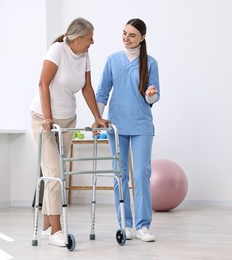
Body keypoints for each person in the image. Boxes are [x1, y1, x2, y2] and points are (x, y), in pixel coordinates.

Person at [31, 17, 107, 247]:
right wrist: (47, 117)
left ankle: (46, 227)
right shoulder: (57, 50)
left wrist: (97, 118)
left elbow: (87, 88)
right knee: (53, 171)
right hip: (43, 119)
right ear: (77, 38)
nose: (92, 42)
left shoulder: (84, 56)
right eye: (89, 38)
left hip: (68, 120)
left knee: (57, 173)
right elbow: (43, 84)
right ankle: (56, 230)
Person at [96, 18, 160, 242]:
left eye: (132, 35)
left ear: (142, 37)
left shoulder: (150, 63)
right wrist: (97, 118)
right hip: (116, 126)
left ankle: (143, 226)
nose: (126, 38)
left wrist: (151, 94)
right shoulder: (112, 60)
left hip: (141, 124)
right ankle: (126, 223)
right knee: (119, 175)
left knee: (142, 174)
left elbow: (154, 95)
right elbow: (102, 91)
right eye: (124, 33)